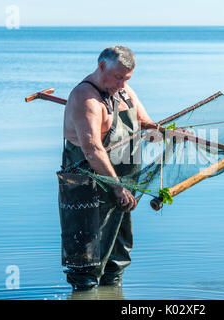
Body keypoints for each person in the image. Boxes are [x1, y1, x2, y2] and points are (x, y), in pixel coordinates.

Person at [58, 46, 156, 290]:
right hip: (88, 187)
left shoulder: (125, 92)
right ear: (102, 66)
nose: (122, 83)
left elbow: (146, 125)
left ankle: (114, 295)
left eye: (127, 78)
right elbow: (92, 150)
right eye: (117, 77)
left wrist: (169, 133)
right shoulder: (85, 98)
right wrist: (117, 187)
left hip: (122, 188)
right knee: (86, 264)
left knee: (117, 259)